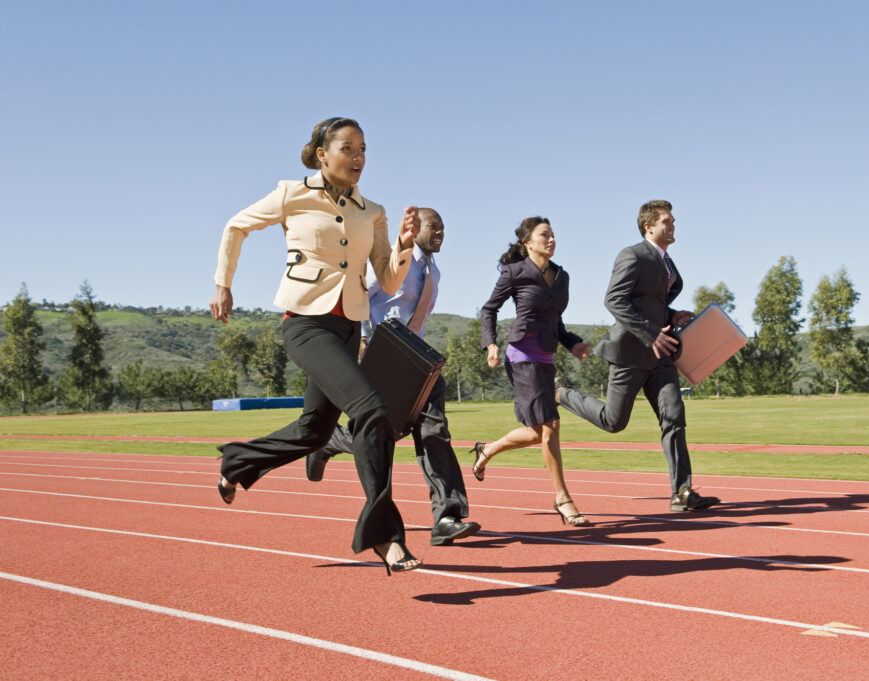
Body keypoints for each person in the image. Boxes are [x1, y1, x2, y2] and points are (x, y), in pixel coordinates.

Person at [209, 116, 423, 575]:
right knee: (372, 411)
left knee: (315, 431)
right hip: (306, 324)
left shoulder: (373, 212)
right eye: (349, 148)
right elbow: (235, 227)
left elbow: (387, 280)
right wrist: (223, 284)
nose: (359, 157)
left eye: (364, 148)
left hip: (348, 326)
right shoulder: (293, 194)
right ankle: (386, 537)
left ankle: (238, 461)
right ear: (322, 154)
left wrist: (403, 248)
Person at [305, 208, 482, 547]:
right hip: (384, 356)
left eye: (444, 227)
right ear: (414, 230)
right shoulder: (393, 264)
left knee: (435, 431)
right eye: (434, 226)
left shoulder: (434, 270)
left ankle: (447, 516)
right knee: (383, 433)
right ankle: (329, 441)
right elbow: (354, 296)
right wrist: (357, 340)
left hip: (418, 358)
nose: (441, 232)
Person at [554, 200, 721, 512]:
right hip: (631, 353)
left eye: (673, 221)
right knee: (614, 422)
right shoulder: (632, 254)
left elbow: (649, 303)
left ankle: (682, 492)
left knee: (674, 416)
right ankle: (562, 394)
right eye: (667, 221)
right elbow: (615, 300)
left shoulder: (666, 261)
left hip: (661, 355)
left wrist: (672, 314)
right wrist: (650, 332)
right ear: (649, 226)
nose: (673, 226)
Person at [472, 217, 593, 526]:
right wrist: (491, 344)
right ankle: (563, 498)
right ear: (528, 242)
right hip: (521, 355)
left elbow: (557, 321)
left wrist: (574, 344)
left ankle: (488, 449)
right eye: (544, 235)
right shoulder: (515, 272)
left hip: (546, 356)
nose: (551, 239)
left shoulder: (561, 276)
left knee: (538, 432)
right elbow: (490, 309)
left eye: (553, 235)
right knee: (551, 425)